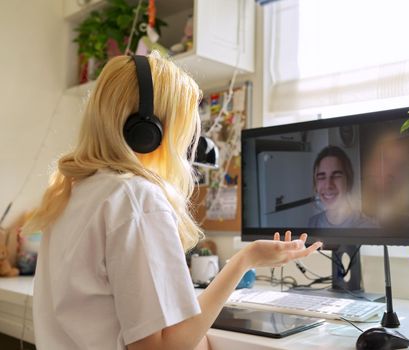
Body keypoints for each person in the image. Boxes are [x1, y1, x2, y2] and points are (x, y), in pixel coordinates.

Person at [26, 53, 322, 350]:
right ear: (146, 132)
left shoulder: (71, 192)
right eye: (184, 131)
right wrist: (244, 260)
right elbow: (163, 349)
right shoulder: (135, 198)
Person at [308, 145, 378, 228]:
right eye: (321, 177)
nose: (328, 185)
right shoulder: (313, 223)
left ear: (348, 180)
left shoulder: (368, 227)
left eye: (336, 175)